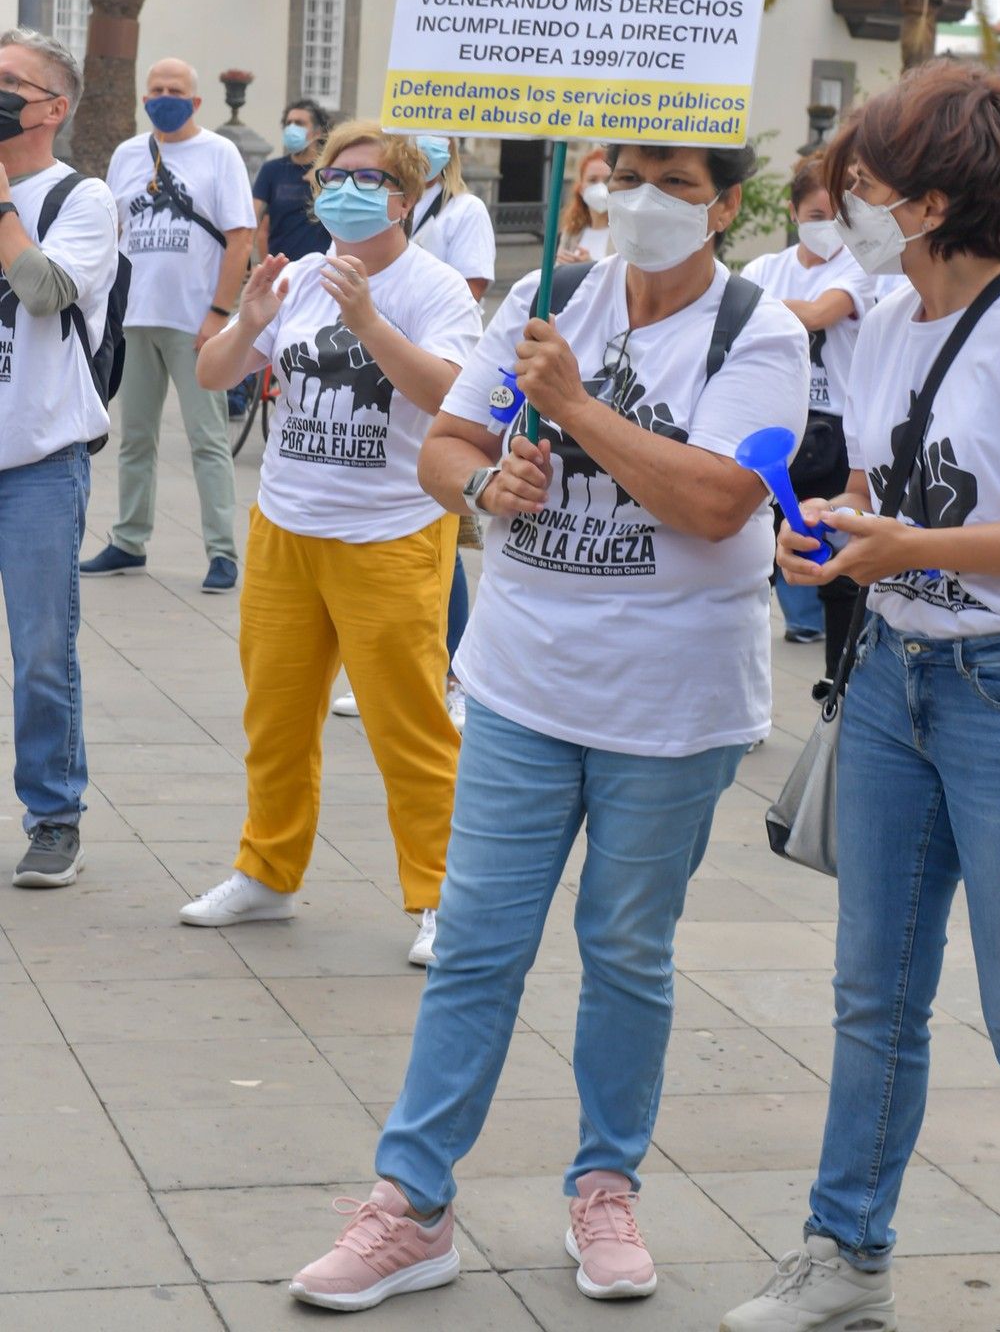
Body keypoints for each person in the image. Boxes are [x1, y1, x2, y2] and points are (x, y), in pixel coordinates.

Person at [290, 140, 809, 1312]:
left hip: (671, 710)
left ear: (727, 206)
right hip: (524, 688)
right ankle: (410, 1204)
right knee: (476, 945)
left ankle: (605, 1185)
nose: (644, 200)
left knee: (627, 953)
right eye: (627, 174)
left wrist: (573, 405)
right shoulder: (544, 296)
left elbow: (722, 500)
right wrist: (483, 488)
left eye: (677, 184)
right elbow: (445, 443)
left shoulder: (759, 332)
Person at [724, 63, 1000, 1332]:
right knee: (876, 989)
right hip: (899, 678)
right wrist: (833, 539)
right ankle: (845, 1255)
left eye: (865, 182)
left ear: (932, 199)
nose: (843, 201)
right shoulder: (884, 325)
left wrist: (912, 551)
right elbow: (886, 493)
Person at [179, 124, 481, 964]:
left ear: (405, 196)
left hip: (390, 535)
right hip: (285, 529)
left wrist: (371, 322)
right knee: (275, 715)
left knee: (408, 727)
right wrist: (248, 322)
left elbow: (457, 397)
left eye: (363, 176)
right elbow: (213, 376)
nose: (341, 189)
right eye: (330, 177)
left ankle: (444, 896)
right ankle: (267, 874)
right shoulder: (302, 275)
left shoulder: (437, 288)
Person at [0, 29, 118, 888]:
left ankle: (54, 815)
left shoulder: (83, 199)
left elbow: (42, 291)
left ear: (53, 107)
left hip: (38, 463)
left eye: (11, 82)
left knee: (43, 648)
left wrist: (2, 200)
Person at [332, 133, 497, 725]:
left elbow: (471, 288)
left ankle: (451, 674)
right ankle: (387, 673)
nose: (350, 191)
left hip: (437, 374)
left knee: (444, 553)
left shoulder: (463, 212)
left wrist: (388, 310)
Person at [80, 59, 255, 593]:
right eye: (155, 89)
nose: (163, 97)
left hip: (194, 321)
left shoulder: (219, 153)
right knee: (133, 437)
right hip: (135, 316)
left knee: (207, 439)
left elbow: (240, 237)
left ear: (196, 101)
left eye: (174, 89)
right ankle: (129, 539)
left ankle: (222, 551)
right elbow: (113, 229)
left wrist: (219, 314)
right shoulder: (128, 154)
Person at [743, 154, 873, 671]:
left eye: (838, 215)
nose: (828, 228)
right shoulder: (763, 268)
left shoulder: (856, 268)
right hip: (773, 429)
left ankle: (839, 695)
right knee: (754, 567)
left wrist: (760, 305)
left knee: (840, 568)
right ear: (793, 212)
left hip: (836, 430)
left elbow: (822, 313)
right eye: (816, 215)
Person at [408, 137, 495, 301]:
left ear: (450, 147)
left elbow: (473, 287)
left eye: (437, 134)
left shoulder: (467, 209)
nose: (426, 141)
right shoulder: (389, 200)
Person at [252, 97, 332, 262]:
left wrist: (321, 184)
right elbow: (252, 218)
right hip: (281, 270)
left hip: (319, 270)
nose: (292, 128)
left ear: (317, 132)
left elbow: (341, 218)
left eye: (299, 123)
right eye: (288, 123)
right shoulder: (271, 170)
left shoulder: (331, 172)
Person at [558, 146, 613, 263]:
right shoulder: (571, 232)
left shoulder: (629, 234)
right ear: (581, 188)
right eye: (593, 180)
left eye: (607, 180)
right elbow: (556, 275)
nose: (601, 187)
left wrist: (587, 267)